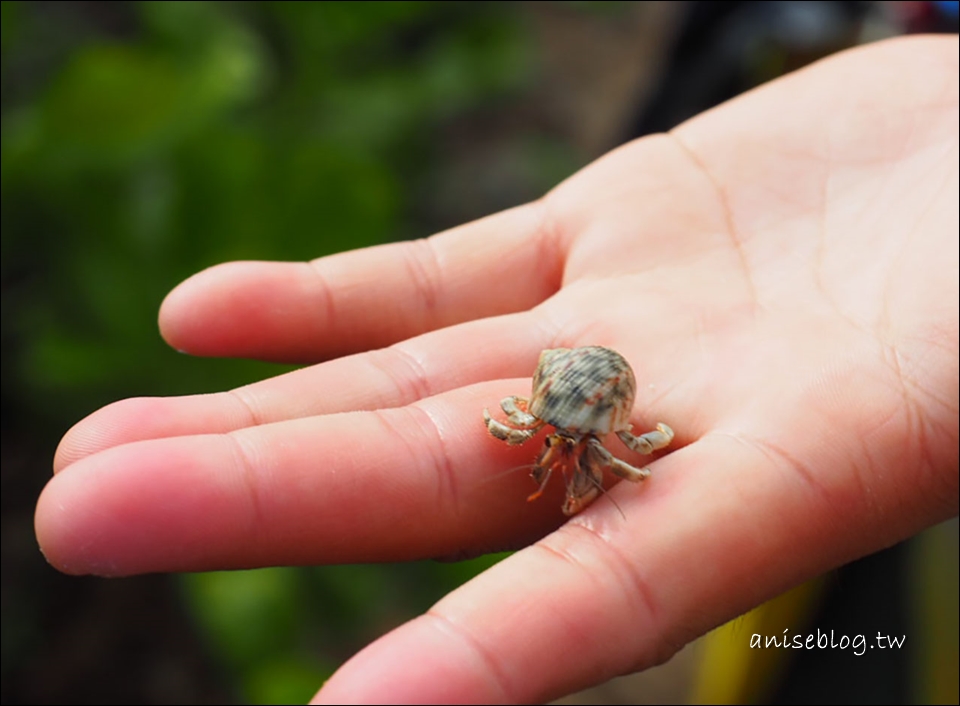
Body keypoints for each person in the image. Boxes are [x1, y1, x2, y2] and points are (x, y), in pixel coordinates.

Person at [35, 35, 958, 704]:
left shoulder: (588, 440)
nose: (555, 453)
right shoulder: (549, 420)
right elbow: (528, 429)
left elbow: (624, 448)